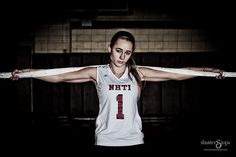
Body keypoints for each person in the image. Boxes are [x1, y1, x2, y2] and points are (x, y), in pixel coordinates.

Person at [11, 31, 224, 156]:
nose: (122, 56)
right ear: (110, 48)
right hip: (105, 141)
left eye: (128, 52)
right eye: (118, 50)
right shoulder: (98, 73)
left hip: (134, 140)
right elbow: (59, 76)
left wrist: (208, 72)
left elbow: (177, 74)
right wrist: (25, 73)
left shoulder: (137, 73)